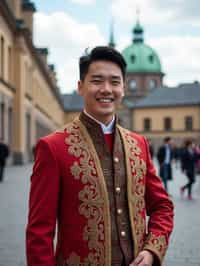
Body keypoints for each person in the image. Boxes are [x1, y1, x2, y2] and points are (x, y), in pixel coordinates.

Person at [26, 46, 174, 266]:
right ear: (80, 87)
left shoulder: (139, 144)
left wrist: (153, 249)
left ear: (123, 88)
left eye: (115, 82)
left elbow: (163, 207)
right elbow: (39, 232)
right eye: (96, 81)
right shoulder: (53, 147)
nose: (106, 89)